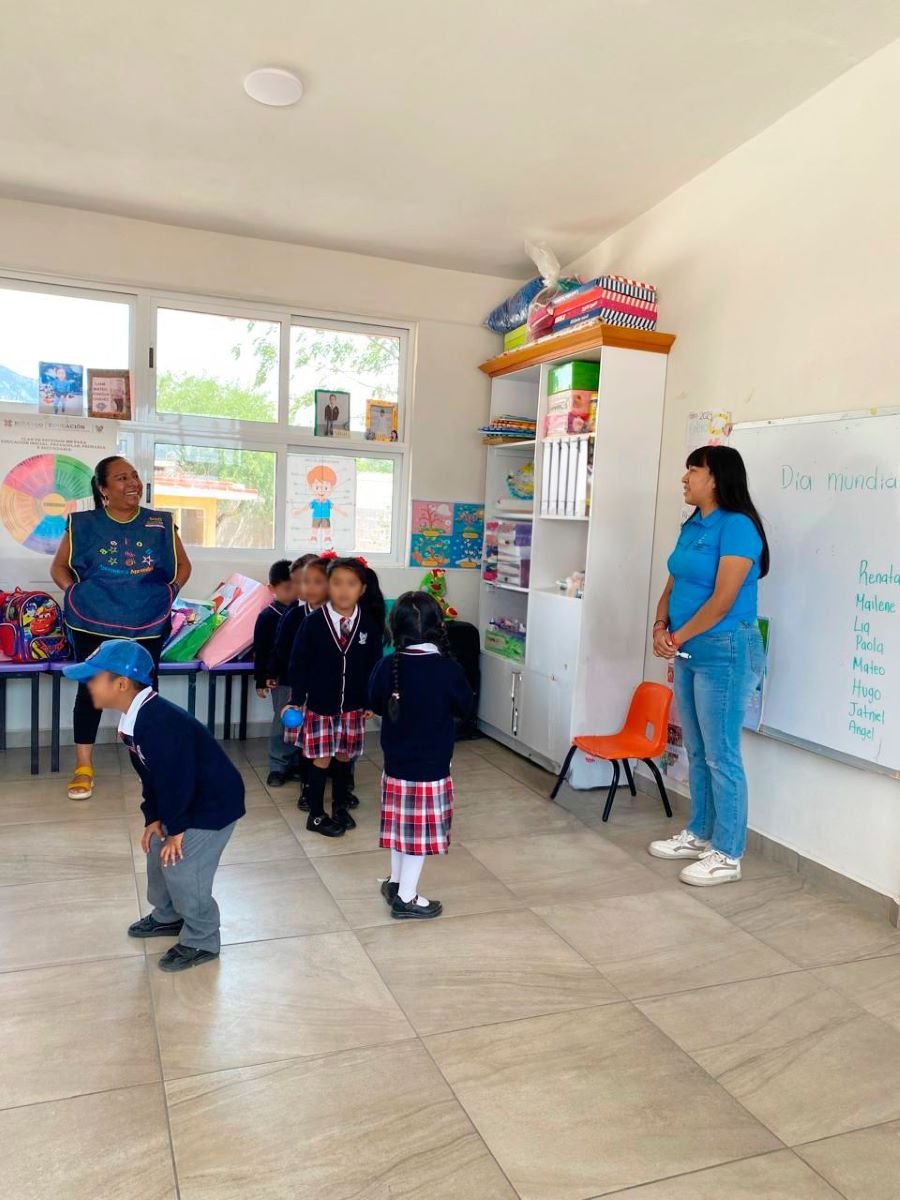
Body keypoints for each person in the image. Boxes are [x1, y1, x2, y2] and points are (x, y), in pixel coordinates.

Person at [62, 639, 245, 971]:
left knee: (184, 867)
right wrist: (154, 818)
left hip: (212, 805)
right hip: (185, 798)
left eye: (93, 678)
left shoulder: (157, 724)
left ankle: (202, 938)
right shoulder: (135, 718)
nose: (87, 685)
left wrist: (176, 828)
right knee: (156, 850)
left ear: (120, 683)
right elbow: (152, 776)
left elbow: (178, 779)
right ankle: (168, 915)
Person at [649, 445, 768, 886]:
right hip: (688, 650)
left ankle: (727, 853)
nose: (685, 478)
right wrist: (661, 624)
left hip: (726, 651)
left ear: (715, 478)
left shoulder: (737, 527)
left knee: (721, 756)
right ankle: (700, 833)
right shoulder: (693, 525)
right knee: (698, 751)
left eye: (692, 471)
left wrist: (677, 636)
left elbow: (722, 602)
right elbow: (673, 581)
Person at [50, 456, 191, 801]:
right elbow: (58, 568)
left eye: (135, 477)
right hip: (92, 620)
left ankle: (151, 759)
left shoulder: (160, 522)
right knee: (92, 692)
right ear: (103, 489)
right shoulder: (82, 524)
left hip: (146, 620)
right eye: (121, 478)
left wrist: (167, 595)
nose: (133, 484)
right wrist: (75, 594)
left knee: (143, 692)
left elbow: (183, 567)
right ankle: (83, 766)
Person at [369, 591, 473, 919]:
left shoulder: (389, 665)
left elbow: (373, 702)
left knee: (402, 828)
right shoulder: (447, 669)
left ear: (394, 626)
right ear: (437, 625)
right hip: (431, 767)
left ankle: (397, 883)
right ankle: (406, 899)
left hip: (395, 763)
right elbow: (466, 707)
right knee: (417, 835)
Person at [286, 556, 384, 837]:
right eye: (337, 583)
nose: (343, 590)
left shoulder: (368, 626)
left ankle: (340, 807)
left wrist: (370, 701)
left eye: (351, 584)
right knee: (321, 758)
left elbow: (373, 667)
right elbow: (299, 663)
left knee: (344, 756)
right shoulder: (314, 623)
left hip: (353, 706)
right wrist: (296, 699)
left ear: (362, 589)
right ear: (329, 586)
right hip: (320, 705)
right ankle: (316, 814)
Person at [253, 558, 298, 787]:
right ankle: (278, 765)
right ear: (272, 589)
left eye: (296, 586)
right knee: (283, 721)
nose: (293, 592)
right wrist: (261, 680)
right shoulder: (268, 615)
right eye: (287, 588)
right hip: (280, 679)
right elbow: (260, 652)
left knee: (302, 721)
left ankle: (297, 763)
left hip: (301, 678)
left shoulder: (303, 613)